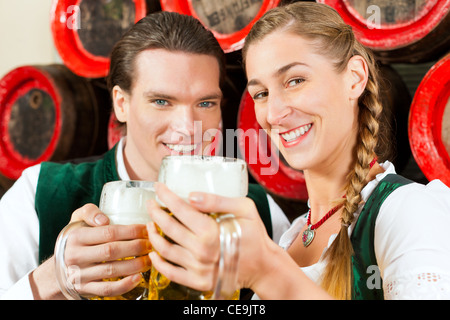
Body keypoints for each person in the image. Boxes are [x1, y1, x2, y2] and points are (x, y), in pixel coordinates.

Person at [147, 2, 450, 300]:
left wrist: (268, 274)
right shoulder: (290, 236)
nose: (274, 113)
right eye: (261, 94)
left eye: (295, 81)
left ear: (355, 78)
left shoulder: (408, 211)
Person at [0, 11, 290, 300]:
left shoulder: (260, 212)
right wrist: (54, 276)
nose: (188, 128)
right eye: (162, 101)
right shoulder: (41, 191)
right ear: (121, 103)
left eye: (205, 103)